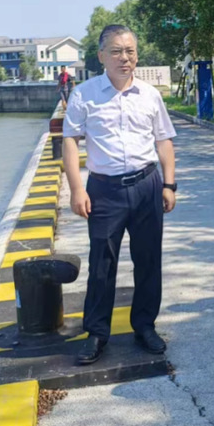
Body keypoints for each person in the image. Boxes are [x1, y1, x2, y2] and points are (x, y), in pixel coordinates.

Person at [62, 24, 178, 366]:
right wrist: (77, 188)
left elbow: (163, 140)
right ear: (101, 56)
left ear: (136, 55)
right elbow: (70, 141)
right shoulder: (84, 94)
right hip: (104, 190)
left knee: (148, 261)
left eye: (129, 51)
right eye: (116, 51)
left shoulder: (149, 95)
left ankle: (145, 326)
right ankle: (97, 333)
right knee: (102, 264)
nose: (124, 58)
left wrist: (169, 184)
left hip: (147, 186)